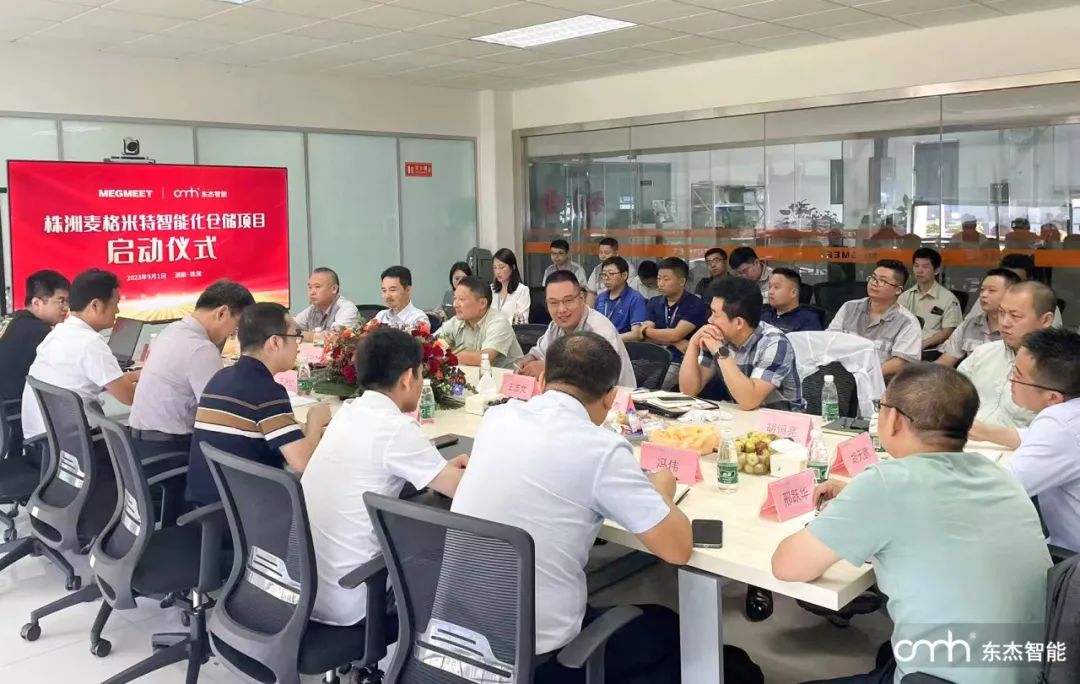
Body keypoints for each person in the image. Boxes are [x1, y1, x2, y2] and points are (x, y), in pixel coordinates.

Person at [772, 363, 1050, 684]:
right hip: (1031, 669)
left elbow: (788, 566)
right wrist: (855, 500)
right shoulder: (999, 475)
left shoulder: (887, 484)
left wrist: (842, 514)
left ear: (894, 419)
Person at [451, 332, 693, 684]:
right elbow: (677, 549)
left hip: (457, 631)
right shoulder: (602, 449)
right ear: (610, 397)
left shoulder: (497, 418)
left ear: (541, 380)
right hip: (536, 656)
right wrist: (663, 492)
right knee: (667, 627)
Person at [304, 328, 469, 626]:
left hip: (306, 587)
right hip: (354, 598)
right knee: (444, 541)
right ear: (407, 378)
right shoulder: (395, 428)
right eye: (421, 374)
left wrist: (438, 469)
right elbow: (463, 490)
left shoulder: (348, 412)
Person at [186, 303, 331, 506]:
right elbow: (303, 462)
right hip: (249, 511)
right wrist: (315, 420)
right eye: (295, 336)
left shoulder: (220, 377)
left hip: (210, 504)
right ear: (275, 342)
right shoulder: (266, 391)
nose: (298, 345)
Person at [128, 280, 254, 467]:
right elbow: (220, 414)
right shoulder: (201, 349)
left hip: (142, 448)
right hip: (170, 453)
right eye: (236, 327)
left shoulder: (173, 330)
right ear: (222, 313)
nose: (232, 334)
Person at [984, 328, 1080, 553]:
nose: (1010, 380)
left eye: (1017, 375)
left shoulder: (1059, 423)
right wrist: (977, 429)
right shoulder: (1070, 414)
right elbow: (1030, 437)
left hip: (1068, 559)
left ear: (1052, 397)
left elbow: (998, 489)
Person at [21, 269, 139, 441]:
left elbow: (107, 382)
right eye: (115, 303)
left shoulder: (59, 333)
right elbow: (129, 397)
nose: (117, 310)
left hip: (46, 443)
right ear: (95, 305)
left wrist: (137, 375)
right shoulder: (90, 343)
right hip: (76, 444)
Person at [680, 276, 803, 411]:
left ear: (738, 322)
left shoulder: (774, 343)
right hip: (743, 415)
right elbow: (688, 391)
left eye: (715, 314)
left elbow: (749, 401)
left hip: (783, 418)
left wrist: (720, 351)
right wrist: (693, 344)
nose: (710, 320)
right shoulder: (718, 336)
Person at [961, 281, 1056, 432]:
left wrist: (988, 433)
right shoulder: (983, 353)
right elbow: (952, 395)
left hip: (1019, 445)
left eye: (1015, 316)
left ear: (1046, 320)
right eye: (1001, 312)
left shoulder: (1060, 368)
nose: (1004, 323)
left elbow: (1059, 431)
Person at [517, 271, 637, 389]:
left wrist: (549, 368)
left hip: (612, 396)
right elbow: (539, 353)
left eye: (568, 300)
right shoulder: (555, 326)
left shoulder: (599, 328)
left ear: (582, 298)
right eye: (553, 303)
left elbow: (598, 376)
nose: (561, 310)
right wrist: (527, 360)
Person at [826, 259, 922, 380]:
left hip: (881, 383)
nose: (874, 283)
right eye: (873, 278)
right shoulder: (849, 308)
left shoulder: (907, 322)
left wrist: (862, 375)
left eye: (882, 281)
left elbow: (900, 363)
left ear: (898, 290)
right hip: (841, 379)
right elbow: (829, 340)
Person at [638, 257, 709, 390]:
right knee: (629, 381)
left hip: (680, 360)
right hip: (653, 357)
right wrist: (675, 341)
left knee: (653, 387)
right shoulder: (654, 302)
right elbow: (644, 337)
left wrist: (646, 330)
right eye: (659, 278)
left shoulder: (695, 304)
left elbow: (675, 334)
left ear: (681, 281)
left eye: (666, 279)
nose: (660, 283)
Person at [0, 270, 69, 405]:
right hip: (15, 409)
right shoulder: (37, 330)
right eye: (61, 301)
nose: (66, 308)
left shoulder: (13, 320)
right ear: (37, 303)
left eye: (67, 301)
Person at [936, 268, 1021, 367]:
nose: (983, 295)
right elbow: (944, 362)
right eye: (982, 290)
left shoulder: (1020, 329)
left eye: (991, 290)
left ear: (1011, 294)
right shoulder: (967, 326)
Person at [436, 275, 523, 369]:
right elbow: (432, 342)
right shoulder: (456, 321)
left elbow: (484, 358)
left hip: (507, 376)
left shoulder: (499, 322)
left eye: (461, 299)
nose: (455, 304)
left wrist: (447, 354)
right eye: (455, 298)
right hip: (473, 375)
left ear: (482, 303)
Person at [897, 247, 962, 350]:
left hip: (932, 350)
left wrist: (924, 344)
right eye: (916, 266)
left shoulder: (949, 299)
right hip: (905, 346)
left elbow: (948, 330)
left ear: (936, 271)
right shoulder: (905, 296)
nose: (919, 270)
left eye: (925, 267)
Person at [997, 253, 1062, 327]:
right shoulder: (988, 300)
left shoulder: (1043, 305)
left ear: (1029, 279)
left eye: (1015, 316)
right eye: (1007, 280)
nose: (1005, 323)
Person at [595, 256, 649, 342]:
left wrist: (610, 339)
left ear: (624, 275)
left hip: (624, 345)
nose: (606, 278)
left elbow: (637, 334)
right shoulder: (600, 297)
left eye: (611, 274)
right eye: (604, 274)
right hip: (601, 344)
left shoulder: (635, 299)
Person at [295, 267, 359, 336]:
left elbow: (334, 337)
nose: (311, 292)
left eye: (317, 287)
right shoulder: (312, 309)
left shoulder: (347, 309)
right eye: (310, 287)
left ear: (334, 289)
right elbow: (292, 326)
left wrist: (299, 334)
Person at [760, 267, 821, 332]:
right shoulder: (763, 312)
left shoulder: (808, 320)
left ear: (793, 293)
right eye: (770, 287)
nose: (770, 292)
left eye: (776, 287)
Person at [585, 237, 637, 306]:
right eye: (600, 252)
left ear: (616, 253)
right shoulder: (597, 269)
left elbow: (629, 293)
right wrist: (589, 310)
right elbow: (591, 293)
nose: (603, 256)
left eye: (606, 253)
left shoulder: (627, 268)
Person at [491, 248, 531, 324]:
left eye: (501, 267)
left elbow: (522, 321)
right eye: (495, 268)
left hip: (512, 330)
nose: (497, 272)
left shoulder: (522, 290)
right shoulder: (491, 289)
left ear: (513, 267)